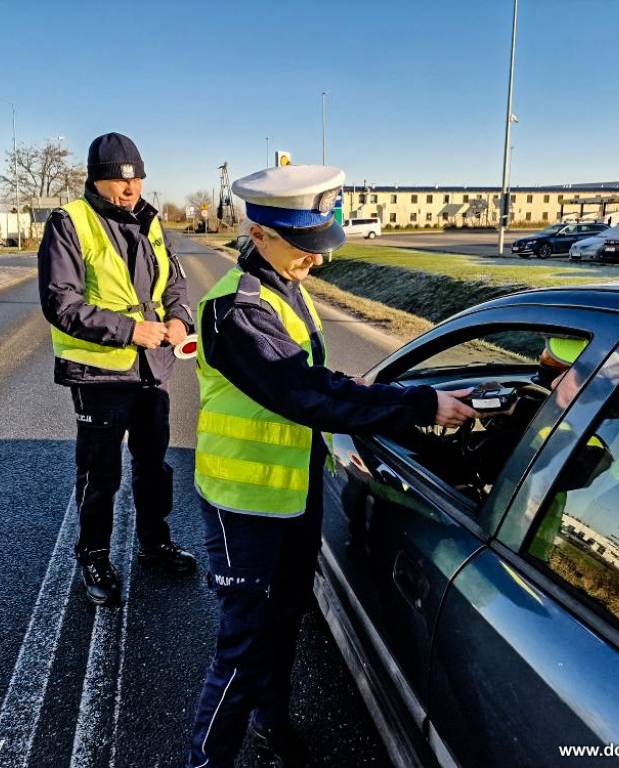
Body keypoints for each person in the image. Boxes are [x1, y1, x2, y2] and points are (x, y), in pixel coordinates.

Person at [187, 164, 479, 767]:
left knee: (287, 617)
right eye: (306, 246)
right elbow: (305, 394)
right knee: (241, 648)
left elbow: (317, 380)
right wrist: (419, 404)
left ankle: (270, 721)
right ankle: (204, 759)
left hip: (292, 493)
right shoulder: (237, 311)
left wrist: (361, 390)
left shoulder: (285, 288)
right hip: (244, 506)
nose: (318, 261)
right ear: (261, 234)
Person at [38, 132, 197, 607]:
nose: (131, 189)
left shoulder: (151, 221)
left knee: (153, 466)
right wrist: (131, 331)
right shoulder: (70, 222)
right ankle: (93, 555)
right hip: (100, 374)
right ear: (96, 179)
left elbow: (175, 283)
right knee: (100, 472)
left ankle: (153, 543)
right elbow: (60, 303)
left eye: (137, 179)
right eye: (118, 180)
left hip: (153, 369)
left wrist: (178, 319)